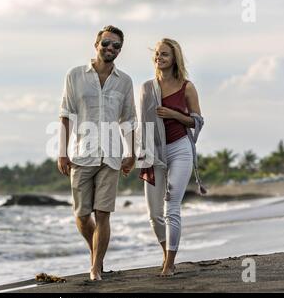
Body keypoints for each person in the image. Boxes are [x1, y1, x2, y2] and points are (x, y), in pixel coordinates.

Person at [57, 25, 136, 281]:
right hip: (82, 153)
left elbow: (129, 119)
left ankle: (95, 268)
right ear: (96, 44)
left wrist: (131, 152)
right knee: (81, 215)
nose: (110, 49)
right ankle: (96, 254)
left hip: (112, 155)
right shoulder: (75, 75)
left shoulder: (125, 81)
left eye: (116, 46)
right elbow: (66, 115)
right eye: (106, 44)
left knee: (103, 213)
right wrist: (62, 152)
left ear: (120, 50)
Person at [137, 38, 207, 276]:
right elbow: (141, 124)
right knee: (154, 214)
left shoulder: (187, 87)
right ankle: (167, 254)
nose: (159, 58)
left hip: (180, 147)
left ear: (174, 58)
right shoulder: (147, 88)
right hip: (154, 152)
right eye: (157, 54)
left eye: (164, 54)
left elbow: (197, 121)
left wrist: (173, 114)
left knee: (171, 206)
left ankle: (169, 264)